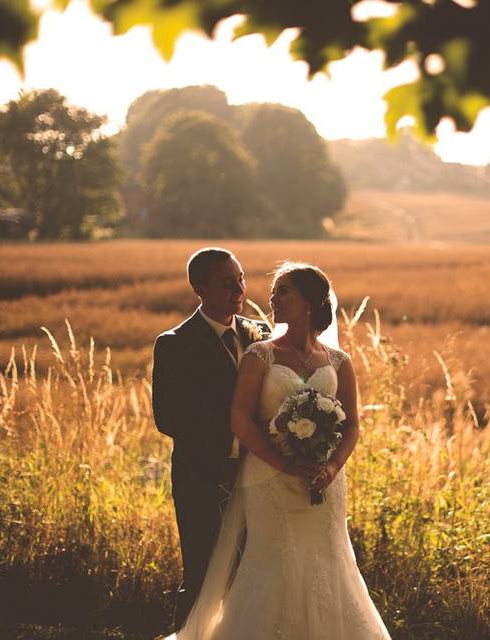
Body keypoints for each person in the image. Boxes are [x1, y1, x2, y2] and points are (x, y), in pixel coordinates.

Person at [172, 261, 390, 640]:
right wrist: (285, 465)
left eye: (284, 291)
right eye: (274, 292)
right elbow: (240, 420)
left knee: (327, 564)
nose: (273, 298)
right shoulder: (260, 355)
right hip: (269, 479)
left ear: (310, 301)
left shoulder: (339, 362)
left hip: (323, 482)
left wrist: (332, 468)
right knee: (273, 564)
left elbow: (352, 424)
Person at [152, 247, 270, 629]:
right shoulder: (174, 343)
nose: (239, 290)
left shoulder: (260, 333)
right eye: (226, 283)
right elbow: (168, 417)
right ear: (198, 288)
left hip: (258, 476)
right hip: (202, 478)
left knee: (252, 577)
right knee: (201, 578)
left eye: (241, 279)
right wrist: (232, 439)